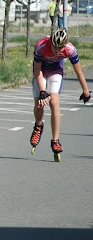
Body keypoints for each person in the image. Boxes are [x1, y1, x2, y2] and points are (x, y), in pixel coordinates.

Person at [30, 28, 90, 160]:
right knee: (40, 104)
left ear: (65, 45)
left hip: (55, 71)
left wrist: (85, 90)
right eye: (54, 47)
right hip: (40, 72)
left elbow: (78, 71)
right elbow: (37, 70)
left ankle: (55, 140)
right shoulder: (41, 46)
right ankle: (38, 126)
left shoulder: (70, 49)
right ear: (50, 42)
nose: (57, 51)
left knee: (54, 102)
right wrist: (42, 91)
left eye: (60, 48)